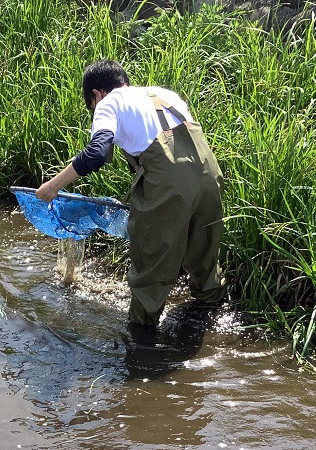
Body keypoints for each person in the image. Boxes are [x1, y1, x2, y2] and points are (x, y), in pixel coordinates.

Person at [35, 60, 224, 327]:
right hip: (209, 175)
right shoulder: (163, 94)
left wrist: (53, 187)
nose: (93, 111)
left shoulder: (108, 103)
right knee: (203, 252)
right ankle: (211, 321)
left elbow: (97, 153)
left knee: (151, 267)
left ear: (97, 93)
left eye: (91, 105)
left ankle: (141, 344)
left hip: (169, 185)